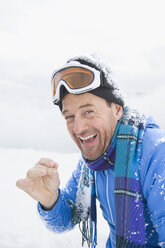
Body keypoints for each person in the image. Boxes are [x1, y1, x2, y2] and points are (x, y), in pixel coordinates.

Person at [16, 54, 165, 248]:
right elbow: (67, 218)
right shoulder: (94, 162)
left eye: (88, 112)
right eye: (69, 116)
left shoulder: (155, 154)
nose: (78, 128)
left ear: (117, 109)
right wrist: (50, 200)